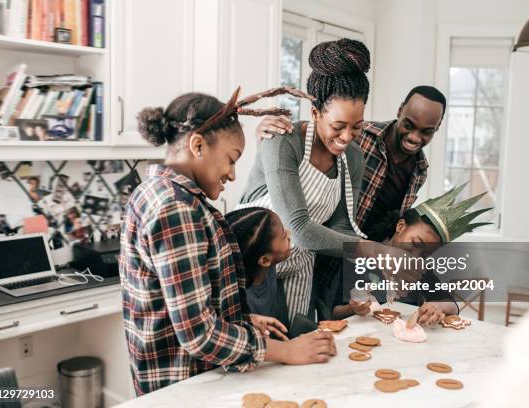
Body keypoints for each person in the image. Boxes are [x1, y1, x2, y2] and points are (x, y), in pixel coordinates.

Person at [119, 90, 336, 396]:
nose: (233, 175)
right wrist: (286, 352)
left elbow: (183, 304)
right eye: (231, 159)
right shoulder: (176, 209)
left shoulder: (155, 193)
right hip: (184, 388)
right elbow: (198, 335)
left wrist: (240, 320)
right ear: (198, 145)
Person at [256, 84, 447, 310]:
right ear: (399, 111)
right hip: (323, 249)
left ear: (437, 128)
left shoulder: (420, 169)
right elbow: (321, 126)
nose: (415, 137)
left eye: (426, 131)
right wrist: (267, 133)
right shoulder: (358, 136)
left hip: (364, 261)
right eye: (409, 125)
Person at [238, 38, 388, 323]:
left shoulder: (353, 158)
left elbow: (342, 225)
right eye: (338, 126)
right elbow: (299, 228)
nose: (347, 137)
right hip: (253, 264)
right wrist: (373, 250)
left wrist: (364, 276)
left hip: (302, 264)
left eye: (357, 127)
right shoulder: (282, 141)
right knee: (262, 351)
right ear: (316, 112)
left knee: (302, 337)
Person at [337, 182, 493, 325]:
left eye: (425, 254)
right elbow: (333, 312)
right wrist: (354, 308)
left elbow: (452, 304)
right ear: (400, 226)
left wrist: (437, 306)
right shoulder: (359, 257)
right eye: (416, 243)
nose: (416, 255)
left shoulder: (418, 269)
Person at [225, 207, 292, 339]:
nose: (289, 234)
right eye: (284, 236)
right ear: (265, 260)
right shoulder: (240, 299)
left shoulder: (268, 269)